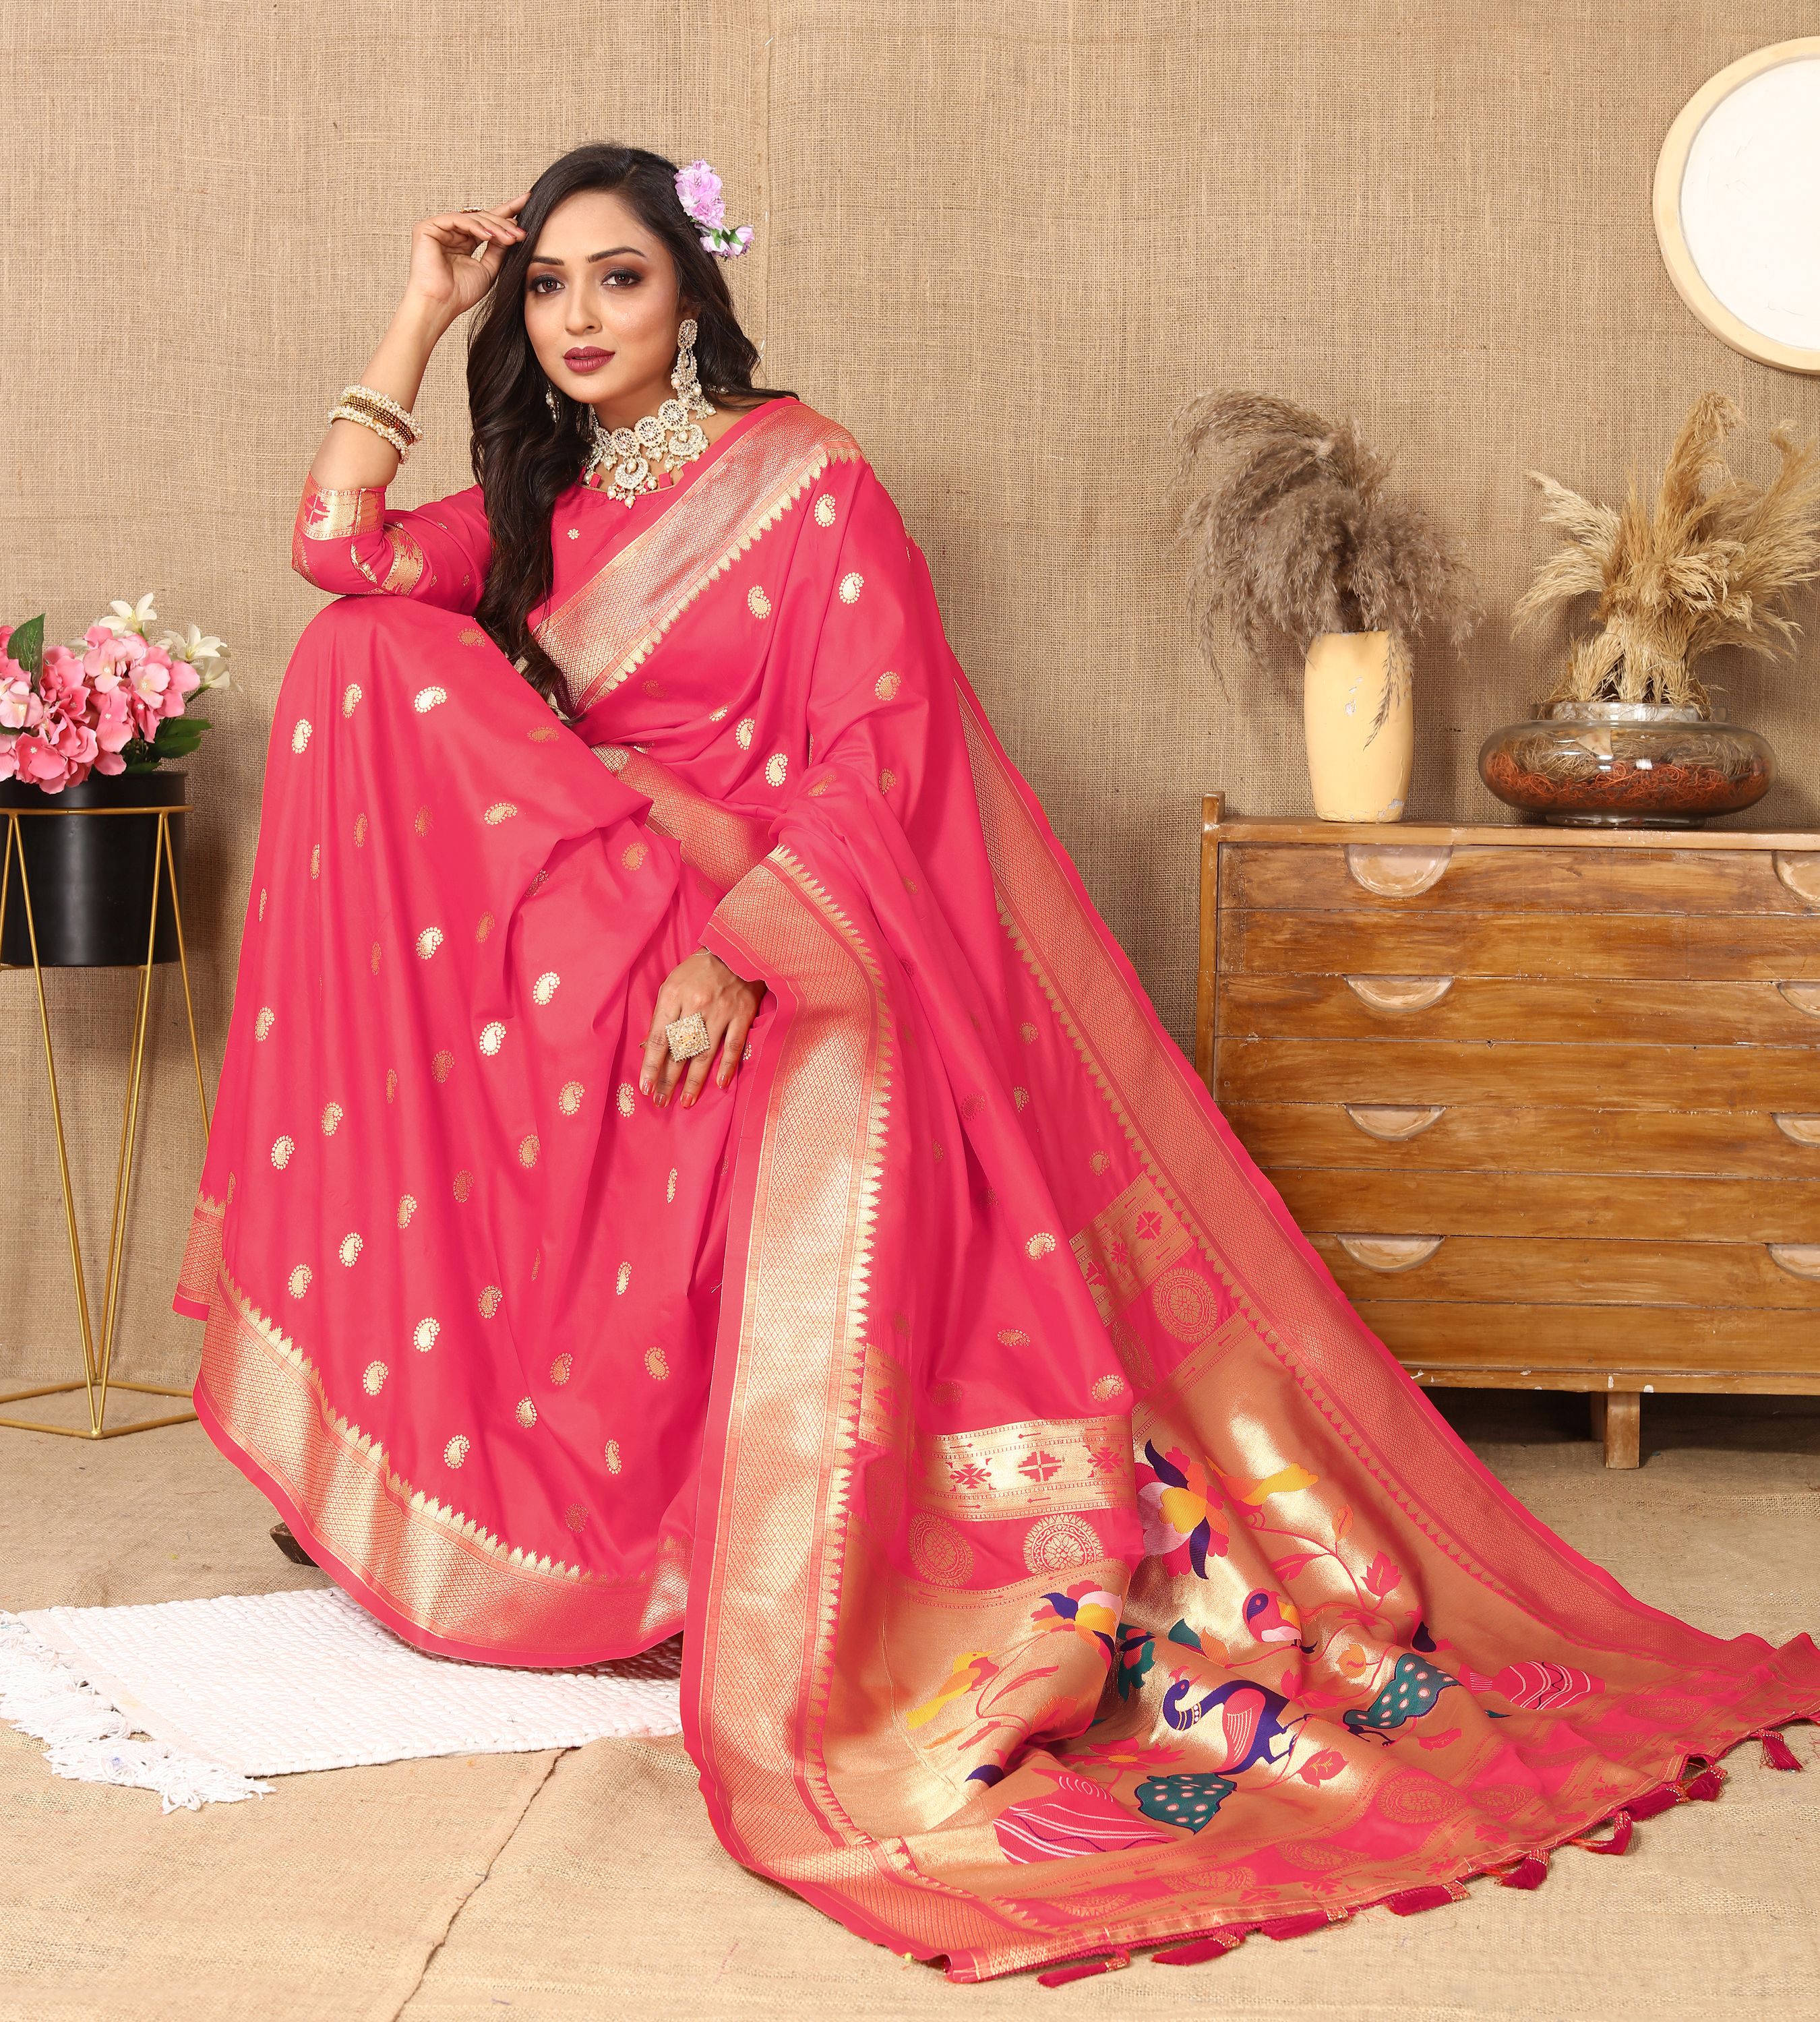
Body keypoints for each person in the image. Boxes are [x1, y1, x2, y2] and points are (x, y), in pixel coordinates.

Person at [175, 142, 1819, 1984]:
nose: (576, 318)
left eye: (616, 277)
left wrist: (741, 949)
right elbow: (341, 553)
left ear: (693, 293)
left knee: (630, 932)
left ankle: (742, 1499)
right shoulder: (539, 497)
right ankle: (535, 1478)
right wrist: (422, 308)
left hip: (777, 914)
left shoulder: (809, 481)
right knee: (362, 656)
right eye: (547, 285)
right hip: (608, 913)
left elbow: (876, 756)